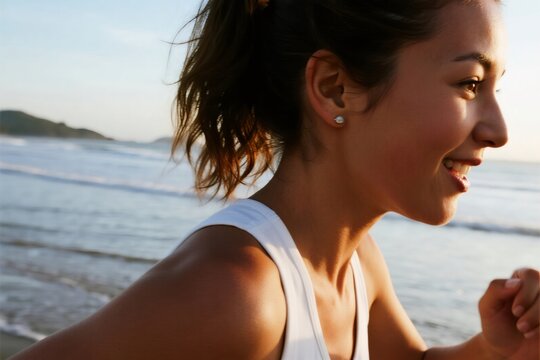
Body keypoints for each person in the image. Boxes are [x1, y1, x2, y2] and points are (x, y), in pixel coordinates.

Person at [11, 0, 539, 359]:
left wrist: (496, 348)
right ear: (334, 89)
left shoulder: (356, 264)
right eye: (470, 83)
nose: (498, 130)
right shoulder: (237, 292)